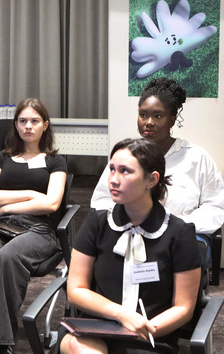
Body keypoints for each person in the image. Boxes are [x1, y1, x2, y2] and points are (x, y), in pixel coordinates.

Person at [61, 138, 202, 353]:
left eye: (125, 171)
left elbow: (183, 307)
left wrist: (143, 328)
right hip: (94, 329)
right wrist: (121, 315)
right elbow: (76, 290)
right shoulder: (97, 222)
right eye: (112, 169)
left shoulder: (179, 233)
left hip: (149, 336)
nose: (113, 180)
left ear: (151, 180)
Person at [0, 98, 67, 354]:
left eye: (34, 121)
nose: (28, 126)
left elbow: (51, 205)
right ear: (16, 125)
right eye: (22, 121)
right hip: (2, 225)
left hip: (39, 230)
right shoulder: (2, 157)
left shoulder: (55, 161)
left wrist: (9, 205)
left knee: (8, 257)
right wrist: (30, 193)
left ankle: (1, 340)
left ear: (45, 125)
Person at [91, 78, 224, 262]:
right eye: (143, 115)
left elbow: (215, 206)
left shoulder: (196, 158)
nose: (149, 122)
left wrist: (177, 226)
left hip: (183, 236)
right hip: (129, 230)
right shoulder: (125, 156)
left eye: (158, 116)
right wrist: (131, 222)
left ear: (172, 119)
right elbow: (101, 201)